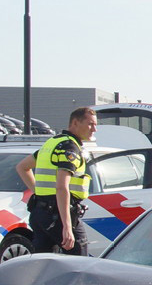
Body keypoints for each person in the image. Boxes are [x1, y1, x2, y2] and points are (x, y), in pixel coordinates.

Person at [16, 106, 96, 255]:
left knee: (44, 265)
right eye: (90, 124)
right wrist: (67, 226)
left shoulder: (52, 143)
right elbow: (61, 187)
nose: (94, 129)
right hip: (57, 215)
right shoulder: (69, 148)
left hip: (40, 213)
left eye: (95, 125)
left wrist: (39, 194)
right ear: (75, 123)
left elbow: (22, 167)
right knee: (79, 262)